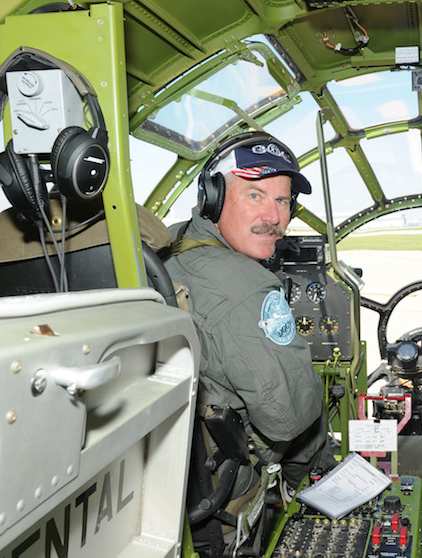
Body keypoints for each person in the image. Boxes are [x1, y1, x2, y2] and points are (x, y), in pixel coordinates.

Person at [164, 132, 337, 499]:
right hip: (224, 482)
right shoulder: (246, 289)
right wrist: (305, 479)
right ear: (213, 198)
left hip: (176, 466)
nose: (273, 217)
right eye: (255, 195)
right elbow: (289, 418)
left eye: (282, 201)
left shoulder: (167, 244)